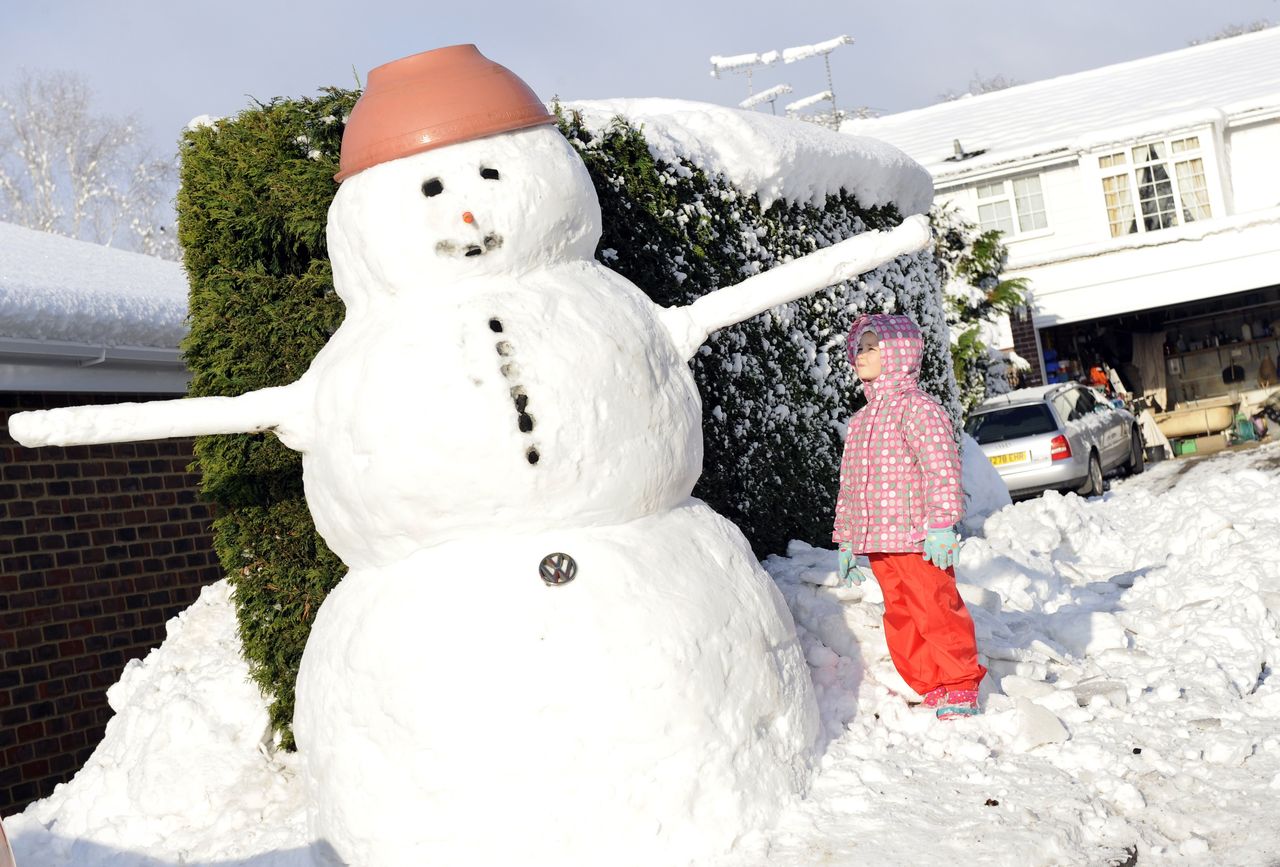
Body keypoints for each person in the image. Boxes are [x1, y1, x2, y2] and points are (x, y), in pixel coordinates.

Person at [832, 313, 987, 720]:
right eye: (859, 348)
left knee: (936, 607)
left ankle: (959, 684)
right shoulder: (862, 421)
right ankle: (930, 683)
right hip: (879, 539)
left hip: (918, 537)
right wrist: (847, 537)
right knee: (901, 614)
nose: (861, 355)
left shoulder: (918, 409)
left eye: (871, 347)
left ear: (898, 354)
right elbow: (851, 485)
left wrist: (941, 523)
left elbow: (941, 467)